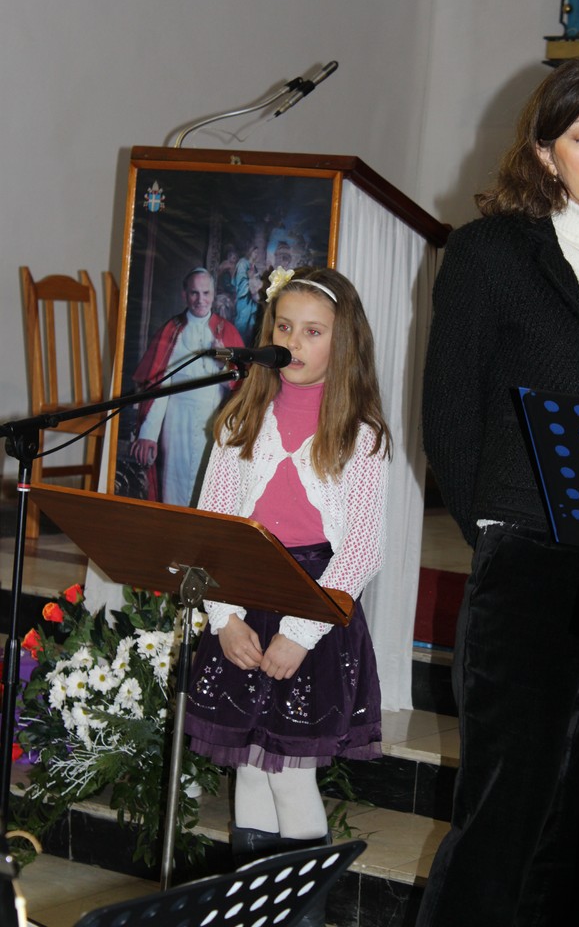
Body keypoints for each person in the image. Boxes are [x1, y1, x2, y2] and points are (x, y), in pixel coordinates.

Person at [419, 59, 579, 927]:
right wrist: (498, 534)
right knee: (504, 816)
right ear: (547, 153)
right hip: (528, 563)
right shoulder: (491, 253)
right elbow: (450, 414)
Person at [185, 266, 391, 927]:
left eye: (313, 332)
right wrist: (225, 619)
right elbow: (213, 528)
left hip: (313, 610)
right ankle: (254, 913)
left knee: (288, 771)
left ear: (343, 342)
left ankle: (303, 916)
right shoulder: (241, 420)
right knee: (249, 766)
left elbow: (361, 550)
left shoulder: (361, 435)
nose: (293, 343)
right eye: (284, 327)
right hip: (243, 600)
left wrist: (300, 634)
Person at [130, 267, 243, 506]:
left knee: (208, 483)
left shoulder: (227, 331)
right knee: (174, 481)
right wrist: (148, 434)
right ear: (184, 294)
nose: (200, 299)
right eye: (194, 293)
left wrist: (223, 362)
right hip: (176, 418)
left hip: (212, 419)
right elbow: (159, 386)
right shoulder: (171, 331)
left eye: (206, 293)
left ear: (213, 294)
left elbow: (241, 383)